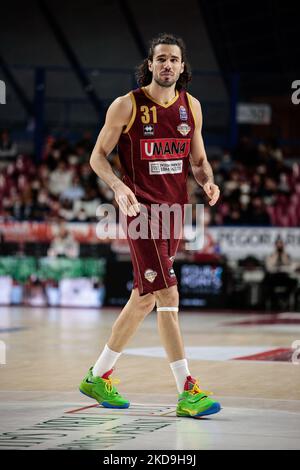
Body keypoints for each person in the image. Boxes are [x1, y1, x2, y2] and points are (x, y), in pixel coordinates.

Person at [79, 33, 221, 418]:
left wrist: (207, 181)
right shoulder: (126, 105)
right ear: (150, 63)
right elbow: (97, 157)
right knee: (168, 296)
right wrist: (119, 186)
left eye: (174, 59)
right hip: (140, 212)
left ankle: (98, 374)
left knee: (143, 298)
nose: (167, 65)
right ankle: (187, 390)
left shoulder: (191, 107)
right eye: (161, 58)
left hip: (174, 214)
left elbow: (199, 160)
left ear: (182, 66)